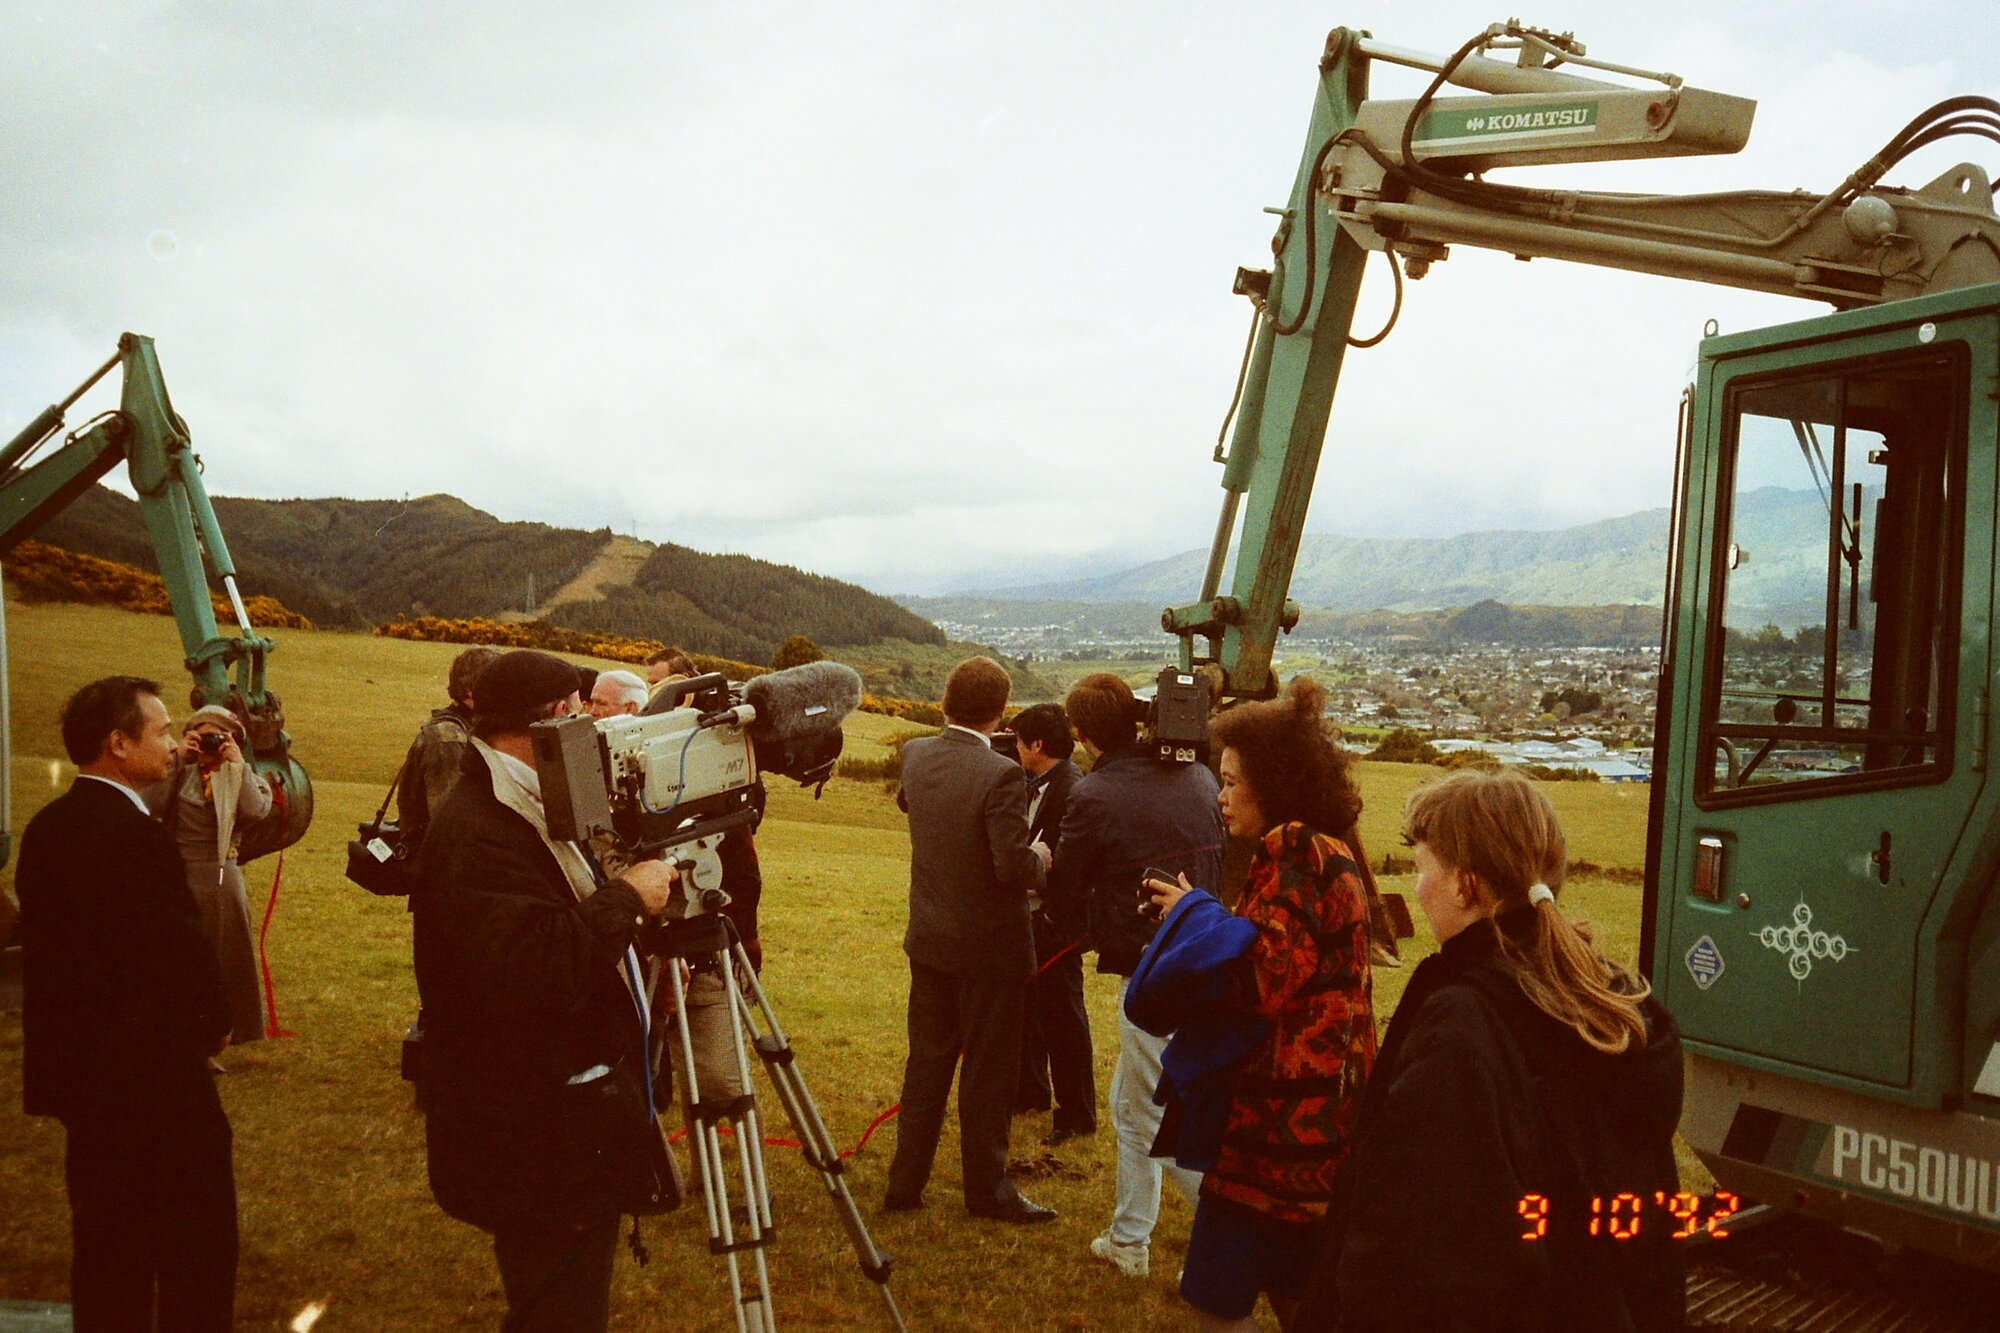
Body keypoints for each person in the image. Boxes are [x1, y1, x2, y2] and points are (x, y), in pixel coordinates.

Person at [1298, 770, 1685, 1333]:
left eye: (1423, 866)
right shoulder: (1608, 996)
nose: (1416, 885)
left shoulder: (1463, 1022)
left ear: (1465, 885)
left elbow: (1424, 1249)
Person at [412, 650, 680, 1333]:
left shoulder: (525, 803)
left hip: (560, 1121)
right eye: (582, 716)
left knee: (562, 1298)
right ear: (558, 719)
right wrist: (629, 896)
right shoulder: (478, 826)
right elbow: (539, 965)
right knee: (558, 1310)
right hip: (533, 1136)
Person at [1139, 676, 1377, 1331]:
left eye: (1232, 779)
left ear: (1273, 780)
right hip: (1319, 1117)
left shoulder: (1296, 850)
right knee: (1299, 1291)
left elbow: (1256, 980)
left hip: (1277, 1125)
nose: (1220, 794)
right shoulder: (1331, 845)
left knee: (1216, 1298)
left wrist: (1189, 917)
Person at [17, 676, 238, 1330]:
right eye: (162, 730)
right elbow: (176, 951)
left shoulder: (48, 827)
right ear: (117, 742)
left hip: (84, 1088)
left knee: (107, 1251)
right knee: (196, 1248)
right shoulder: (137, 838)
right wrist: (214, 1023)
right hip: (157, 1086)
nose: (173, 743)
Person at [1052, 672, 1224, 1277]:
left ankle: (1234, 1224)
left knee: (1154, 1112)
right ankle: (1128, 1240)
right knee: (1130, 1107)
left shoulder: (1094, 795)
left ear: (1080, 734)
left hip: (1155, 974)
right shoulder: (1201, 777)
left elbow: (1065, 886)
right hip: (1209, 954)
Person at [884, 656, 1056, 1223]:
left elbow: (914, 804)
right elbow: (1010, 866)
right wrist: (1040, 857)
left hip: (930, 938)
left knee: (926, 1063)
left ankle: (904, 1184)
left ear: (944, 704)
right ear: (1001, 712)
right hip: (991, 950)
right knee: (988, 1073)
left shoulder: (916, 754)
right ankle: (988, 1191)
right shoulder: (1003, 774)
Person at [147, 704, 275, 1062]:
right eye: (203, 735)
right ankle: (180, 1034)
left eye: (218, 736)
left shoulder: (239, 774)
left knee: (224, 957)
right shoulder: (180, 772)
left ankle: (223, 1033)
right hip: (180, 875)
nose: (211, 743)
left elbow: (253, 812)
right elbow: (151, 805)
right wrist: (178, 762)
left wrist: (236, 765)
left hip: (221, 876)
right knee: (180, 958)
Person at [1009, 701, 1096, 1146]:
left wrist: (1052, 915)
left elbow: (1074, 863)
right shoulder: (1038, 784)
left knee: (1063, 1017)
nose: (1016, 749)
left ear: (1037, 745)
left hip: (1055, 925)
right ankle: (1031, 1092)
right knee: (1029, 1011)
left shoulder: (1072, 790)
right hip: (1031, 920)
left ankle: (1078, 1112)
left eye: (1020, 742)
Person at [396, 644, 502, 838]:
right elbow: (451, 823)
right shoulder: (446, 739)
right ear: (469, 690)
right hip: (438, 864)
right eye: (498, 684)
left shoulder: (470, 731)